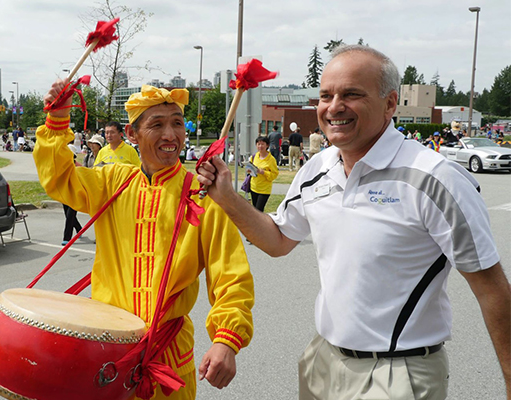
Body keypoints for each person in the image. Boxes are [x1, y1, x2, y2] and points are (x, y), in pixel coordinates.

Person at [197, 44, 510, 399]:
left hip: (399, 373)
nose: (333, 107)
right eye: (325, 95)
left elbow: (492, 290)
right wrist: (227, 198)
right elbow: (278, 241)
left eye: (351, 94)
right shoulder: (317, 169)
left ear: (390, 103)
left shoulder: (435, 178)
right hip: (324, 361)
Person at [34, 81, 254, 399]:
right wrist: (57, 123)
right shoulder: (113, 182)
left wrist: (226, 339)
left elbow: (232, 276)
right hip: (107, 351)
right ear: (132, 134)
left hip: (169, 361)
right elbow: (60, 178)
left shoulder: (203, 196)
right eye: (157, 124)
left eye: (177, 123)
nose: (170, 135)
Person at [249, 136, 279, 212]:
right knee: (254, 210)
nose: (260, 146)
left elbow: (274, 174)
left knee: (259, 211)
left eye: (262, 144)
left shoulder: (271, 159)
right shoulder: (254, 156)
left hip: (264, 190)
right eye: (258, 144)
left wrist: (263, 172)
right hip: (254, 187)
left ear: (267, 145)